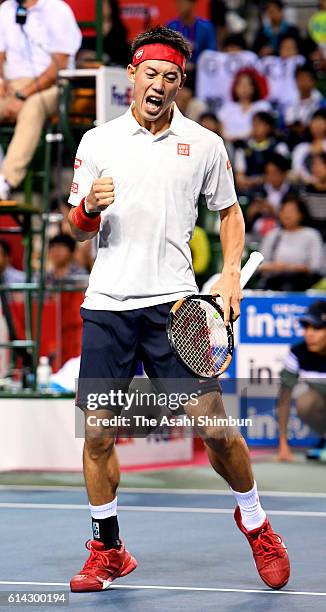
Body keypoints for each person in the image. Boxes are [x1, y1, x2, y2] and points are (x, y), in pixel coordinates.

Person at [67, 25, 290, 593]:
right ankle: (108, 548)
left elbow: (231, 214)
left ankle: (257, 521)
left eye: (171, 77)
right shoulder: (98, 142)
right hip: (108, 305)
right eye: (151, 73)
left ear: (181, 84)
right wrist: (90, 207)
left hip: (173, 307)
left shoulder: (206, 144)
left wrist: (233, 272)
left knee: (215, 430)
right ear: (133, 76)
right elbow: (77, 225)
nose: (160, 84)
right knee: (97, 435)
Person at [0, 0, 81, 200]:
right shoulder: (5, 9)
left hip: (54, 86)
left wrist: (23, 95)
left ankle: (6, 180)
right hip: (12, 84)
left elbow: (58, 65)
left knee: (33, 108)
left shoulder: (57, 9)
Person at [276, 300, 326, 462]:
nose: (309, 334)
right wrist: (283, 444)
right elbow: (284, 398)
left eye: (317, 328)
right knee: (305, 403)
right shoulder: (298, 353)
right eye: (306, 327)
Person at [259, 195, 323, 290]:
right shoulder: (273, 235)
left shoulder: (311, 235)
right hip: (274, 282)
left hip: (303, 283)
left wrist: (289, 267)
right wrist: (275, 267)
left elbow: (315, 266)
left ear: (301, 214)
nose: (287, 215)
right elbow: (261, 265)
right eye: (284, 211)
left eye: (291, 211)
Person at [235, 111, 289, 193]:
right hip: (249, 189)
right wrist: (259, 180)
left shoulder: (279, 147)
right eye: (254, 125)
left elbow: (282, 174)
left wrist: (260, 180)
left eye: (259, 124)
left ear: (269, 127)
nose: (256, 128)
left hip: (274, 189)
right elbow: (240, 179)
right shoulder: (243, 148)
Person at [218, 68, 271, 142]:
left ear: (254, 87)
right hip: (228, 145)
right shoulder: (227, 107)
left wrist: (239, 139)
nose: (244, 88)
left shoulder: (262, 106)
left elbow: (260, 130)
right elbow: (220, 130)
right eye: (240, 84)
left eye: (248, 84)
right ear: (235, 87)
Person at [245, 153, 291, 235]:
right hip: (257, 231)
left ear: (284, 173)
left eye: (274, 173)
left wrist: (274, 212)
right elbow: (248, 219)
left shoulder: (292, 192)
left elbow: (293, 218)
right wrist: (251, 213)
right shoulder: (259, 190)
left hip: (283, 232)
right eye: (268, 173)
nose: (270, 177)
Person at [79, 0, 130, 67]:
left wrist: (106, 58)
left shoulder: (119, 31)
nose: (102, 6)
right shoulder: (87, 30)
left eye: (104, 2)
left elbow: (121, 56)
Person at [166, 0, 217, 67]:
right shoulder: (171, 26)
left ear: (192, 4)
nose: (179, 5)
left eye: (183, 2)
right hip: (178, 69)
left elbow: (212, 52)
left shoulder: (206, 27)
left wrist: (196, 65)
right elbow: (168, 52)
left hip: (200, 72)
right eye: (177, 2)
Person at [284, 64, 324, 129]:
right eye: (300, 78)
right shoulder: (289, 103)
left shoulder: (321, 103)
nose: (302, 82)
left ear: (313, 81)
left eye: (306, 78)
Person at [292, 109, 326, 183]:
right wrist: (312, 181)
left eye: (321, 122)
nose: (317, 125)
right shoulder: (301, 148)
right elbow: (297, 170)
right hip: (307, 187)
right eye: (314, 121)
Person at [301, 152, 326, 240]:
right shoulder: (306, 189)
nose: (316, 168)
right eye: (314, 165)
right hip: (311, 234)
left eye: (320, 165)